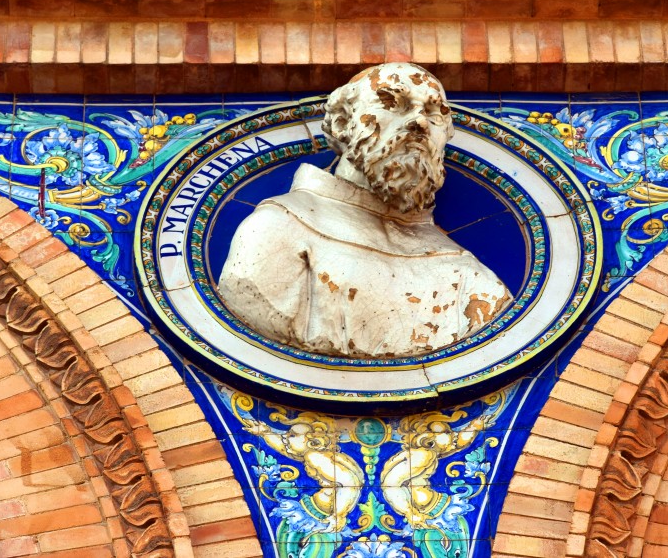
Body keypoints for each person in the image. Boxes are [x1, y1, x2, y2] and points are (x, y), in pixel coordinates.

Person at [218, 63, 510, 358]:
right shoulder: (278, 228)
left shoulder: (475, 280)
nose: (420, 122)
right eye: (393, 102)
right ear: (343, 122)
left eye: (434, 112)